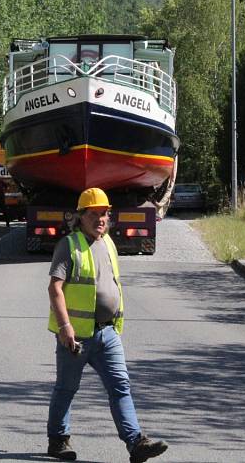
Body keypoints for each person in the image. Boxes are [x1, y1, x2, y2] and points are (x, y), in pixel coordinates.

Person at [46, 187, 168, 462]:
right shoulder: (69, 245)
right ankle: (58, 440)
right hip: (76, 336)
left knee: (120, 386)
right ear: (81, 216)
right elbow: (55, 288)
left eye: (104, 214)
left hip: (107, 332)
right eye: (94, 214)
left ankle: (135, 443)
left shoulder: (108, 242)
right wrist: (65, 328)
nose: (101, 219)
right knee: (66, 388)